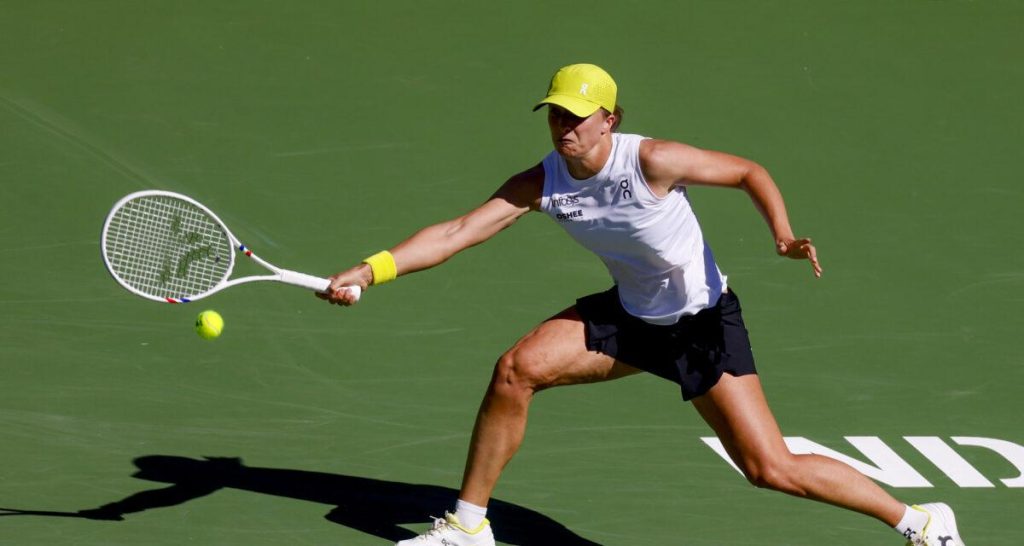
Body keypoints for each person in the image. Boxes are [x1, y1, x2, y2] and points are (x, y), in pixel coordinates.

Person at [319, 63, 966, 546]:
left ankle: (921, 522)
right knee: (516, 370)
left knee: (770, 468)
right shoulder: (542, 182)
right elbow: (458, 231)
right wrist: (371, 272)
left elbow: (748, 171)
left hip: (701, 327)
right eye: (555, 114)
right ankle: (468, 526)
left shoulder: (653, 160)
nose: (564, 127)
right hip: (630, 318)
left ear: (610, 120)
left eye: (578, 116)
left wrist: (781, 235)